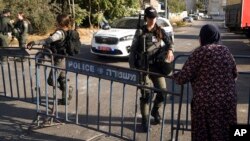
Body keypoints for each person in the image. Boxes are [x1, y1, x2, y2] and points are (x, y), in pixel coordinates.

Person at [172, 24, 237, 141]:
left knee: (204, 135)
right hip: (228, 102)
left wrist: (174, 75)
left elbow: (183, 77)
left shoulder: (200, 52)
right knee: (225, 133)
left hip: (206, 105)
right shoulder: (226, 51)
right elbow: (234, 74)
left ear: (203, 37)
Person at [129, 6, 174, 132]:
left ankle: (155, 111)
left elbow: (170, 43)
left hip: (157, 68)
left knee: (163, 92)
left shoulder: (160, 30)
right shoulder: (140, 32)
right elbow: (132, 50)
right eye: (150, 18)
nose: (152, 20)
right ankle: (145, 120)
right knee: (146, 95)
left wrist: (170, 50)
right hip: (143, 69)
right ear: (146, 18)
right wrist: (133, 67)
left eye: (154, 18)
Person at [27, 14, 73, 105]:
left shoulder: (59, 33)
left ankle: (68, 88)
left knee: (51, 80)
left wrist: (35, 42)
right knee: (62, 79)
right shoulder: (68, 30)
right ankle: (65, 99)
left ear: (60, 22)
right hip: (62, 58)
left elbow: (49, 40)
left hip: (59, 60)